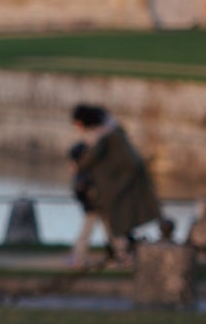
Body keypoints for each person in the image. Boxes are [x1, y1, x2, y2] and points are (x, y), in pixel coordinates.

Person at [67, 103, 170, 263]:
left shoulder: (104, 137)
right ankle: (116, 255)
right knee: (111, 226)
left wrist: (78, 166)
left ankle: (81, 257)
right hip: (107, 191)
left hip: (105, 191)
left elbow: (91, 159)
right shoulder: (112, 133)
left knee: (104, 225)